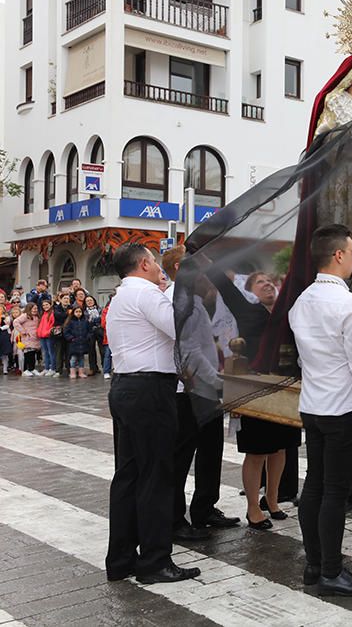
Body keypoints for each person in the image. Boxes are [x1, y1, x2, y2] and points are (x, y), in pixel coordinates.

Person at [105, 243, 200, 584]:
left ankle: (121, 558)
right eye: (156, 262)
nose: (161, 268)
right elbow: (182, 331)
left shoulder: (122, 295)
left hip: (126, 386)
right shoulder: (147, 294)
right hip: (150, 391)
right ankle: (155, 561)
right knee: (156, 476)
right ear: (144, 263)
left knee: (129, 475)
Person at [288, 225, 352, 597]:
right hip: (344, 407)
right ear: (338, 255)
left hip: (314, 405)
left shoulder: (301, 301)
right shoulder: (349, 305)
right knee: (335, 490)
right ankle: (331, 570)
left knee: (315, 486)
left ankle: (314, 563)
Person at [207, 267, 300, 529]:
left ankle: (272, 500)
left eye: (270, 280)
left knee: (281, 448)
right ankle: (252, 507)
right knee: (258, 452)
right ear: (249, 292)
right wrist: (211, 259)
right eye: (260, 282)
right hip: (256, 388)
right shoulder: (248, 311)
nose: (268, 284)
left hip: (285, 388)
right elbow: (223, 284)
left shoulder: (287, 313)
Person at [162, 246, 238, 543]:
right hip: (188, 391)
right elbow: (190, 353)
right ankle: (175, 518)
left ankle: (205, 507)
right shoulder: (180, 303)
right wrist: (217, 381)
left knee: (211, 450)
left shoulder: (192, 301)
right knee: (182, 456)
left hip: (203, 388)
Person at [63, 306, 93, 379]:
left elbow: (90, 331)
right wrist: (71, 338)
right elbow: (66, 332)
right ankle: (72, 372)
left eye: (80, 312)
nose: (78, 313)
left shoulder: (85, 321)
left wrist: (87, 337)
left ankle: (81, 372)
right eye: (76, 312)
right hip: (74, 343)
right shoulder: (70, 321)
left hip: (83, 343)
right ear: (73, 313)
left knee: (81, 359)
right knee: (73, 359)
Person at [13, 303, 40, 376]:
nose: (35, 310)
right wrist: (23, 331)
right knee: (28, 354)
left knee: (33, 354)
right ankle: (25, 370)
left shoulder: (36, 316)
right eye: (34, 308)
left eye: (36, 308)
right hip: (27, 338)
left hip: (35, 338)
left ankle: (32, 368)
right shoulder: (25, 316)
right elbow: (16, 322)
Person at [36, 299, 58, 376]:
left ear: (50, 305)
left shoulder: (52, 314)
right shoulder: (43, 314)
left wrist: (48, 332)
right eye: (44, 305)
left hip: (49, 336)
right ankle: (46, 368)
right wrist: (39, 332)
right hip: (42, 336)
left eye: (47, 305)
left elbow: (53, 325)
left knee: (51, 352)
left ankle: (53, 368)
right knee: (45, 353)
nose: (45, 306)